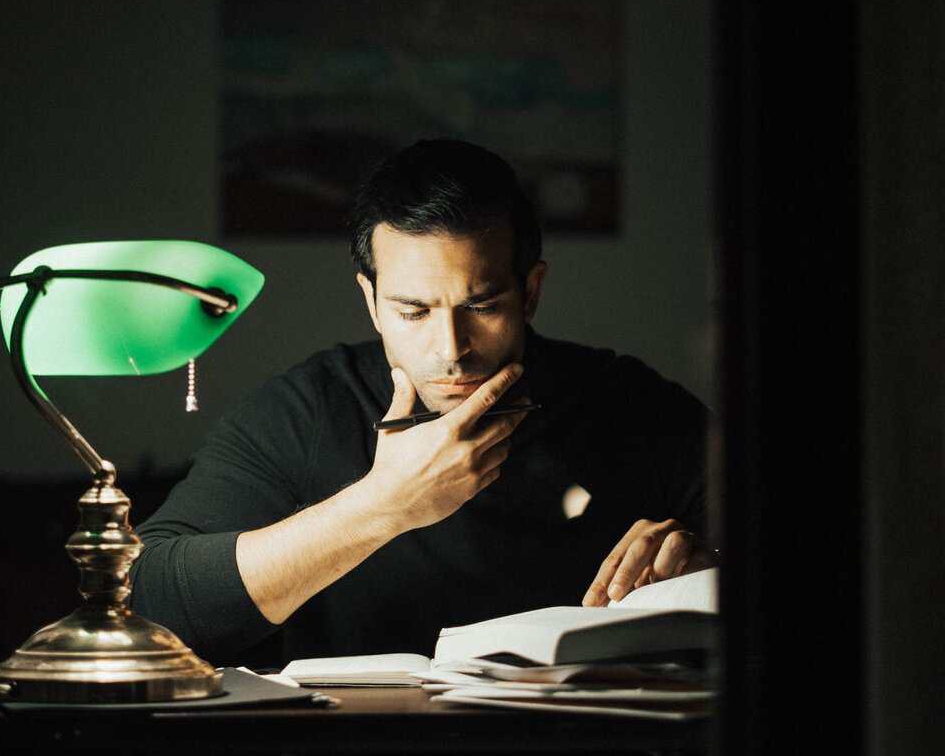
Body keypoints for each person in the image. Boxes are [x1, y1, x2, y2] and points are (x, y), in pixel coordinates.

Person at [130, 139, 714, 666]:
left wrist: (708, 564)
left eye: (482, 306)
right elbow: (144, 601)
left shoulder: (630, 402)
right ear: (372, 301)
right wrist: (381, 506)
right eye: (413, 311)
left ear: (530, 292)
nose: (451, 349)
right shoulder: (310, 408)